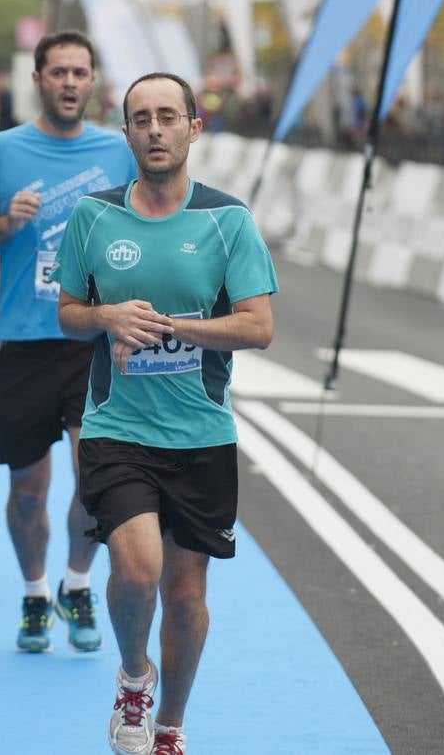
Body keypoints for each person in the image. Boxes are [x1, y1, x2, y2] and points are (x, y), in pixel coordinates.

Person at [52, 72, 278, 755]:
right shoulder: (92, 216)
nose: (154, 129)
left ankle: (170, 725)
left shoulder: (227, 220)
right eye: (140, 119)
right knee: (139, 569)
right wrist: (105, 317)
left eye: (167, 117)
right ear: (125, 134)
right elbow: (66, 316)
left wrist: (181, 328)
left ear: (193, 128)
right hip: (117, 426)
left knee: (184, 596)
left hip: (201, 433)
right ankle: (132, 674)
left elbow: (258, 326)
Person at [0, 29, 137, 653]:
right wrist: (6, 224)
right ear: (37, 80)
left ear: (92, 82)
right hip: (25, 343)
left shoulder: (117, 153)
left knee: (95, 481)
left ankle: (76, 582)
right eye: (56, 72)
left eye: (79, 72)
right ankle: (35, 593)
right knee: (27, 491)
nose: (68, 82)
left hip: (93, 343)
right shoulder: (3, 151)